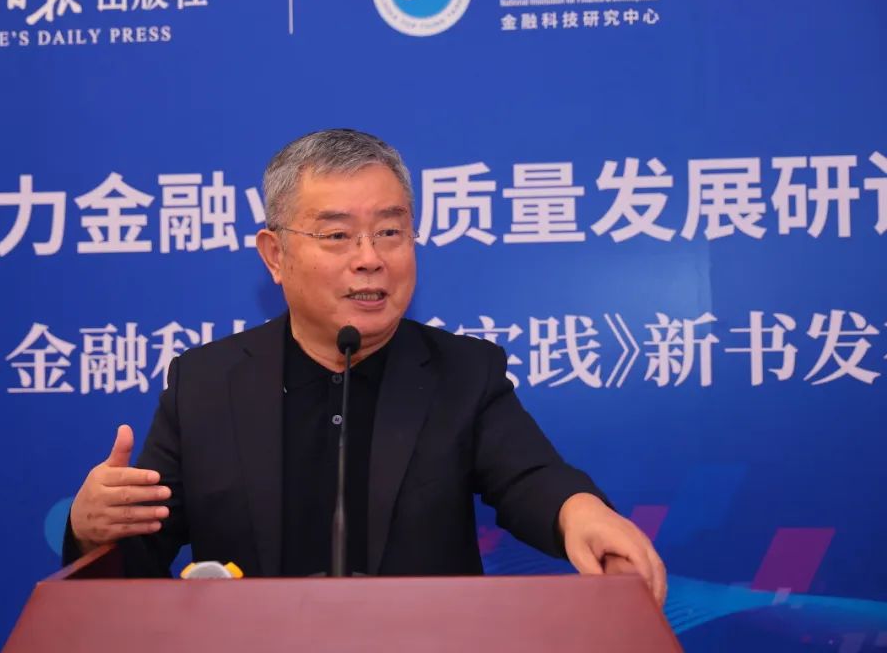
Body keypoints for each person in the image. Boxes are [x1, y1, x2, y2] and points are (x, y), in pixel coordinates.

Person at [63, 129, 666, 603]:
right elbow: (137, 561)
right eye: (337, 236)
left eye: (390, 231)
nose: (370, 258)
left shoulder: (463, 373)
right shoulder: (204, 384)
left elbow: (530, 477)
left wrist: (581, 513)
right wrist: (91, 527)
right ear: (275, 256)